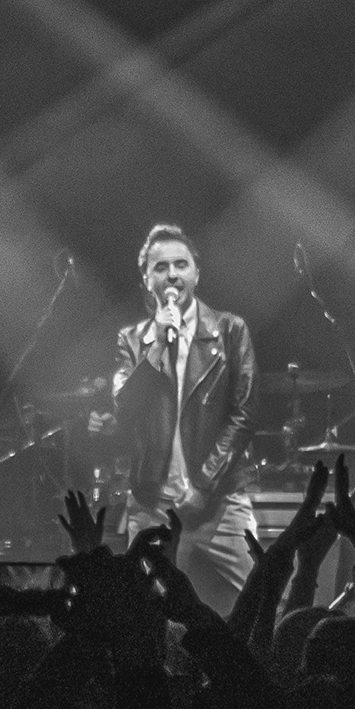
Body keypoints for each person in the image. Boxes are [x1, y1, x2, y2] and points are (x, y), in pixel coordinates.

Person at [107, 222, 259, 605]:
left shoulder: (229, 331)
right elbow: (125, 410)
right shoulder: (132, 340)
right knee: (144, 609)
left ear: (196, 273)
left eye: (181, 264)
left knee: (261, 595)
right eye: (160, 267)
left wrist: (204, 485)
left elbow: (244, 414)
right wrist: (156, 344)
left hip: (220, 501)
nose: (172, 275)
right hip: (152, 503)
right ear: (146, 280)